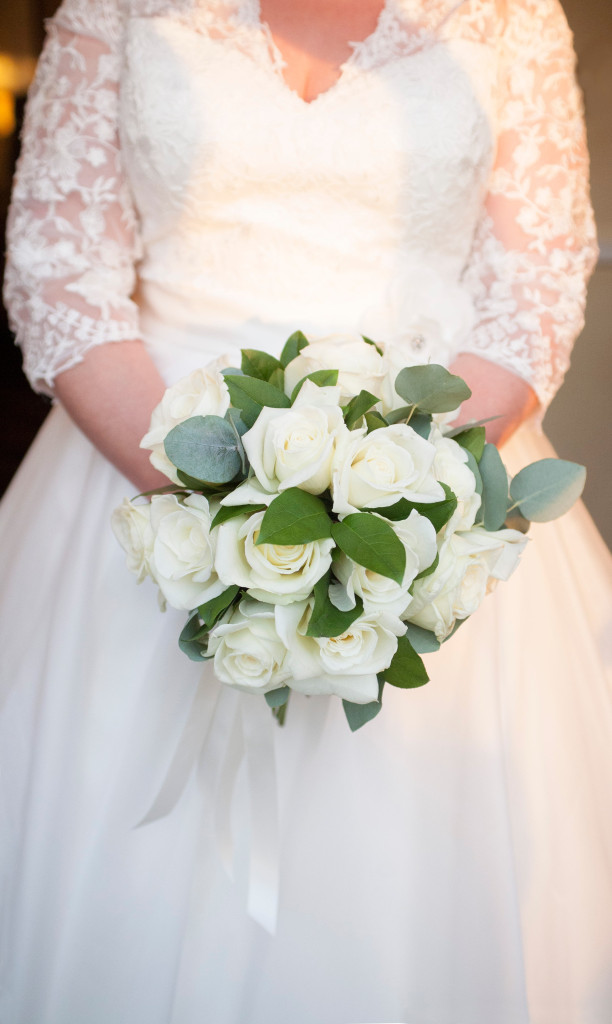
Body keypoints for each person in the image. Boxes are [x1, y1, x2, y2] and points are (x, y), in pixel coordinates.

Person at [1, 0, 611, 1021]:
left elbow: (535, 286)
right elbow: (63, 280)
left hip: (432, 473)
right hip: (143, 462)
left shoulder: (513, 14)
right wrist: (221, 512)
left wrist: (400, 496)